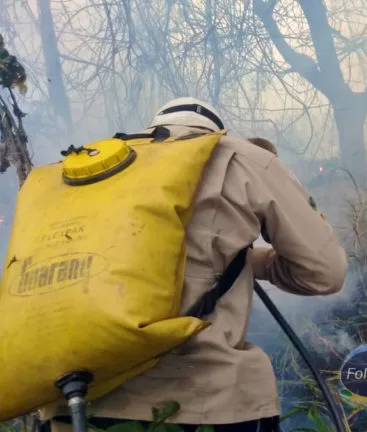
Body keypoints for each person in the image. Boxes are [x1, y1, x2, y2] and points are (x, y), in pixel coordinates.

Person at [38, 97, 349, 432]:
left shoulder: (94, 169)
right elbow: (324, 273)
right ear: (215, 132)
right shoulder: (241, 157)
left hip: (73, 402)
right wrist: (252, 260)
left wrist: (238, 259)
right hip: (203, 406)